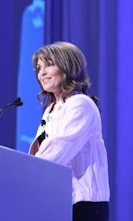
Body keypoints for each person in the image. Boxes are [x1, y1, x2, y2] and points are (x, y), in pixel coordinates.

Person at [29, 41, 110, 221]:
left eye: (49, 64)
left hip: (84, 204)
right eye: (39, 67)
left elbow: (57, 151)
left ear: (68, 67)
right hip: (59, 202)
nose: (41, 73)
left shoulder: (80, 104)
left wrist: (22, 172)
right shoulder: (51, 109)